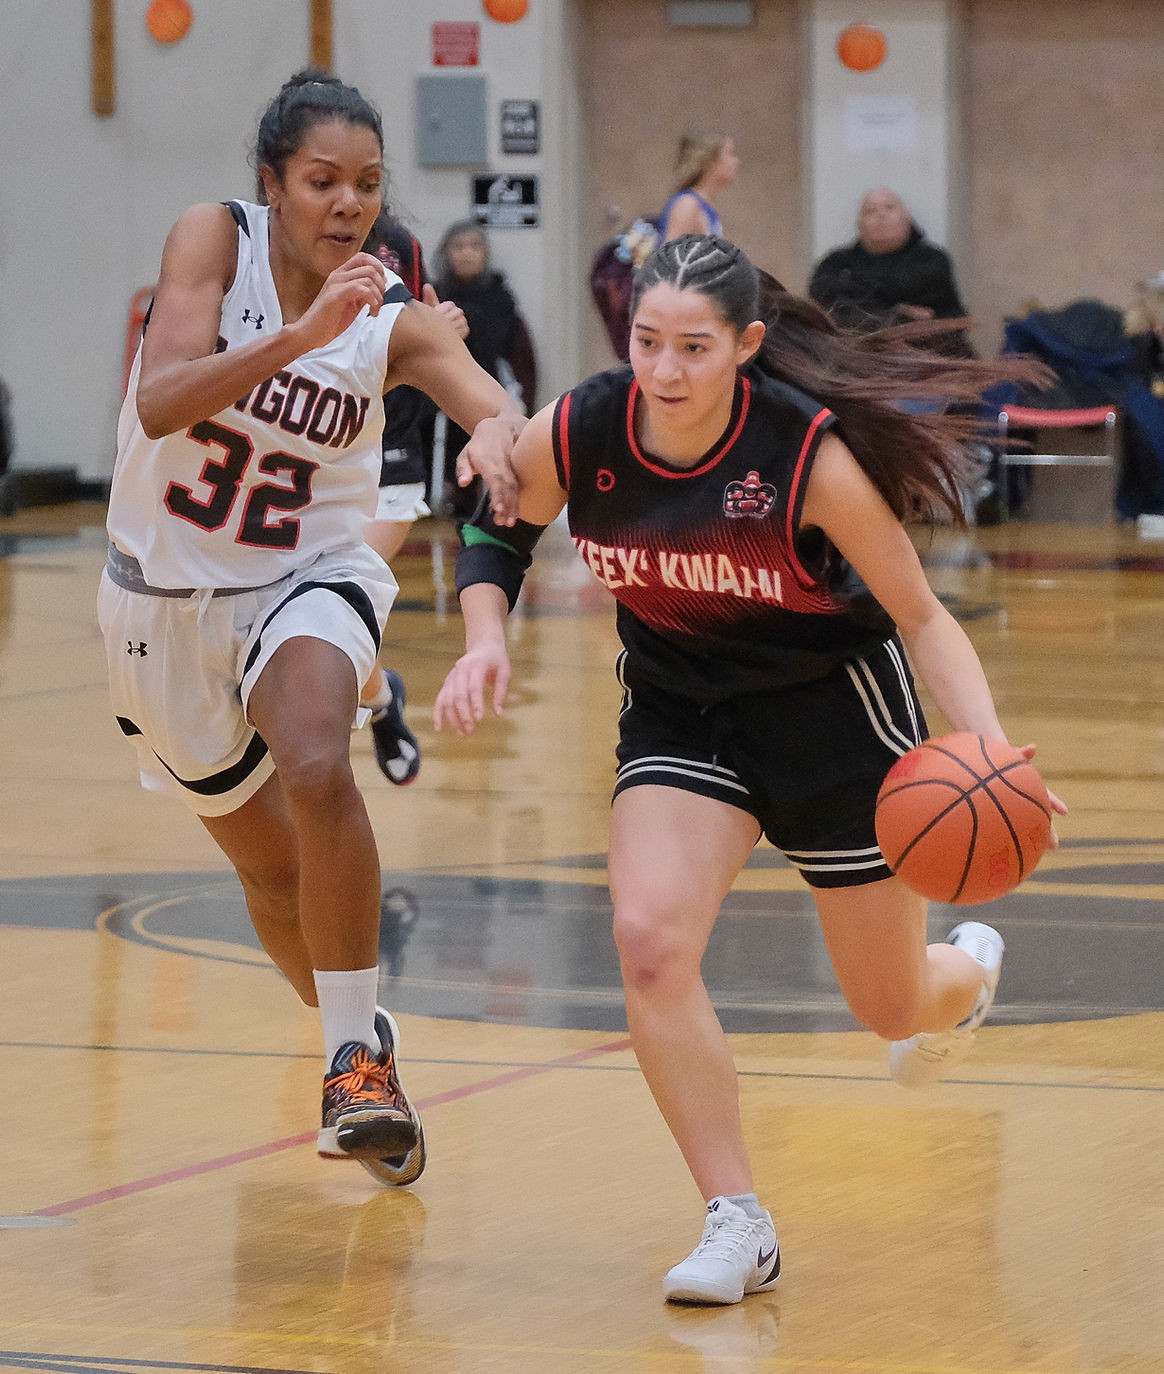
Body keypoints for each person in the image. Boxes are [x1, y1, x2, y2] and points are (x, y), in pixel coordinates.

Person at [433, 234, 1066, 1303]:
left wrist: (990, 745)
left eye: (693, 346)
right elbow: (497, 530)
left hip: (833, 725)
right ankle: (738, 1219)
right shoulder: (588, 425)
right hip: (685, 713)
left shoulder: (806, 456)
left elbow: (920, 614)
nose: (665, 370)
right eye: (647, 342)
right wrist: (484, 635)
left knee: (891, 1008)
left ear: (747, 345)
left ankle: (965, 978)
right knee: (647, 943)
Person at [97, 69, 524, 1191]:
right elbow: (160, 399)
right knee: (277, 887)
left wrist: (500, 439)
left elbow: (492, 398)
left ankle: (349, 1071)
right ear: (271, 184)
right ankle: (364, 1036)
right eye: (323, 181)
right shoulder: (211, 242)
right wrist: (300, 335)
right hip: (162, 600)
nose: (348, 204)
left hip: (305, 576)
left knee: (321, 760)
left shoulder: (391, 319)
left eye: (369, 186)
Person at [359, 208, 471, 785]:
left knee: (339, 600)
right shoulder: (275, 252)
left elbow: (424, 329)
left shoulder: (399, 245)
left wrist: (437, 334)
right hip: (312, 460)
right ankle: (381, 699)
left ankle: (376, 705)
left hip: (389, 458)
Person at [432, 220, 538, 518]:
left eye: (474, 246)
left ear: (486, 253)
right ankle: (448, 490)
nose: (466, 253)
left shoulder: (501, 299)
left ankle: (499, 492)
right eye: (459, 246)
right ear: (447, 253)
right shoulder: (435, 296)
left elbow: (521, 361)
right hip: (441, 385)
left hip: (493, 385)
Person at [807, 187, 973, 353]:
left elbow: (952, 319)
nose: (881, 215)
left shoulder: (933, 259)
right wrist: (900, 314)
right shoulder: (837, 264)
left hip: (927, 356)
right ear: (860, 225)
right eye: (870, 211)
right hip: (859, 357)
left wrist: (873, 305)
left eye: (890, 207)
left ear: (908, 218)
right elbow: (829, 313)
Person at [658, 133, 740, 242]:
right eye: (729, 154)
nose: (736, 161)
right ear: (709, 162)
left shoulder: (703, 207)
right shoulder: (687, 205)